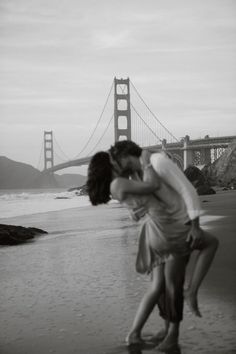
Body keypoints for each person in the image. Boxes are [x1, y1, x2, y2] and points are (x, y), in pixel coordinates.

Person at [86, 143, 218, 351]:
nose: (118, 166)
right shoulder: (134, 174)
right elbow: (153, 188)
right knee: (176, 282)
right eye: (113, 163)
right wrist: (148, 162)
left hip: (152, 231)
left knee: (159, 286)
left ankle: (138, 333)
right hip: (168, 229)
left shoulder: (129, 179)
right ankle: (176, 325)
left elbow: (148, 201)